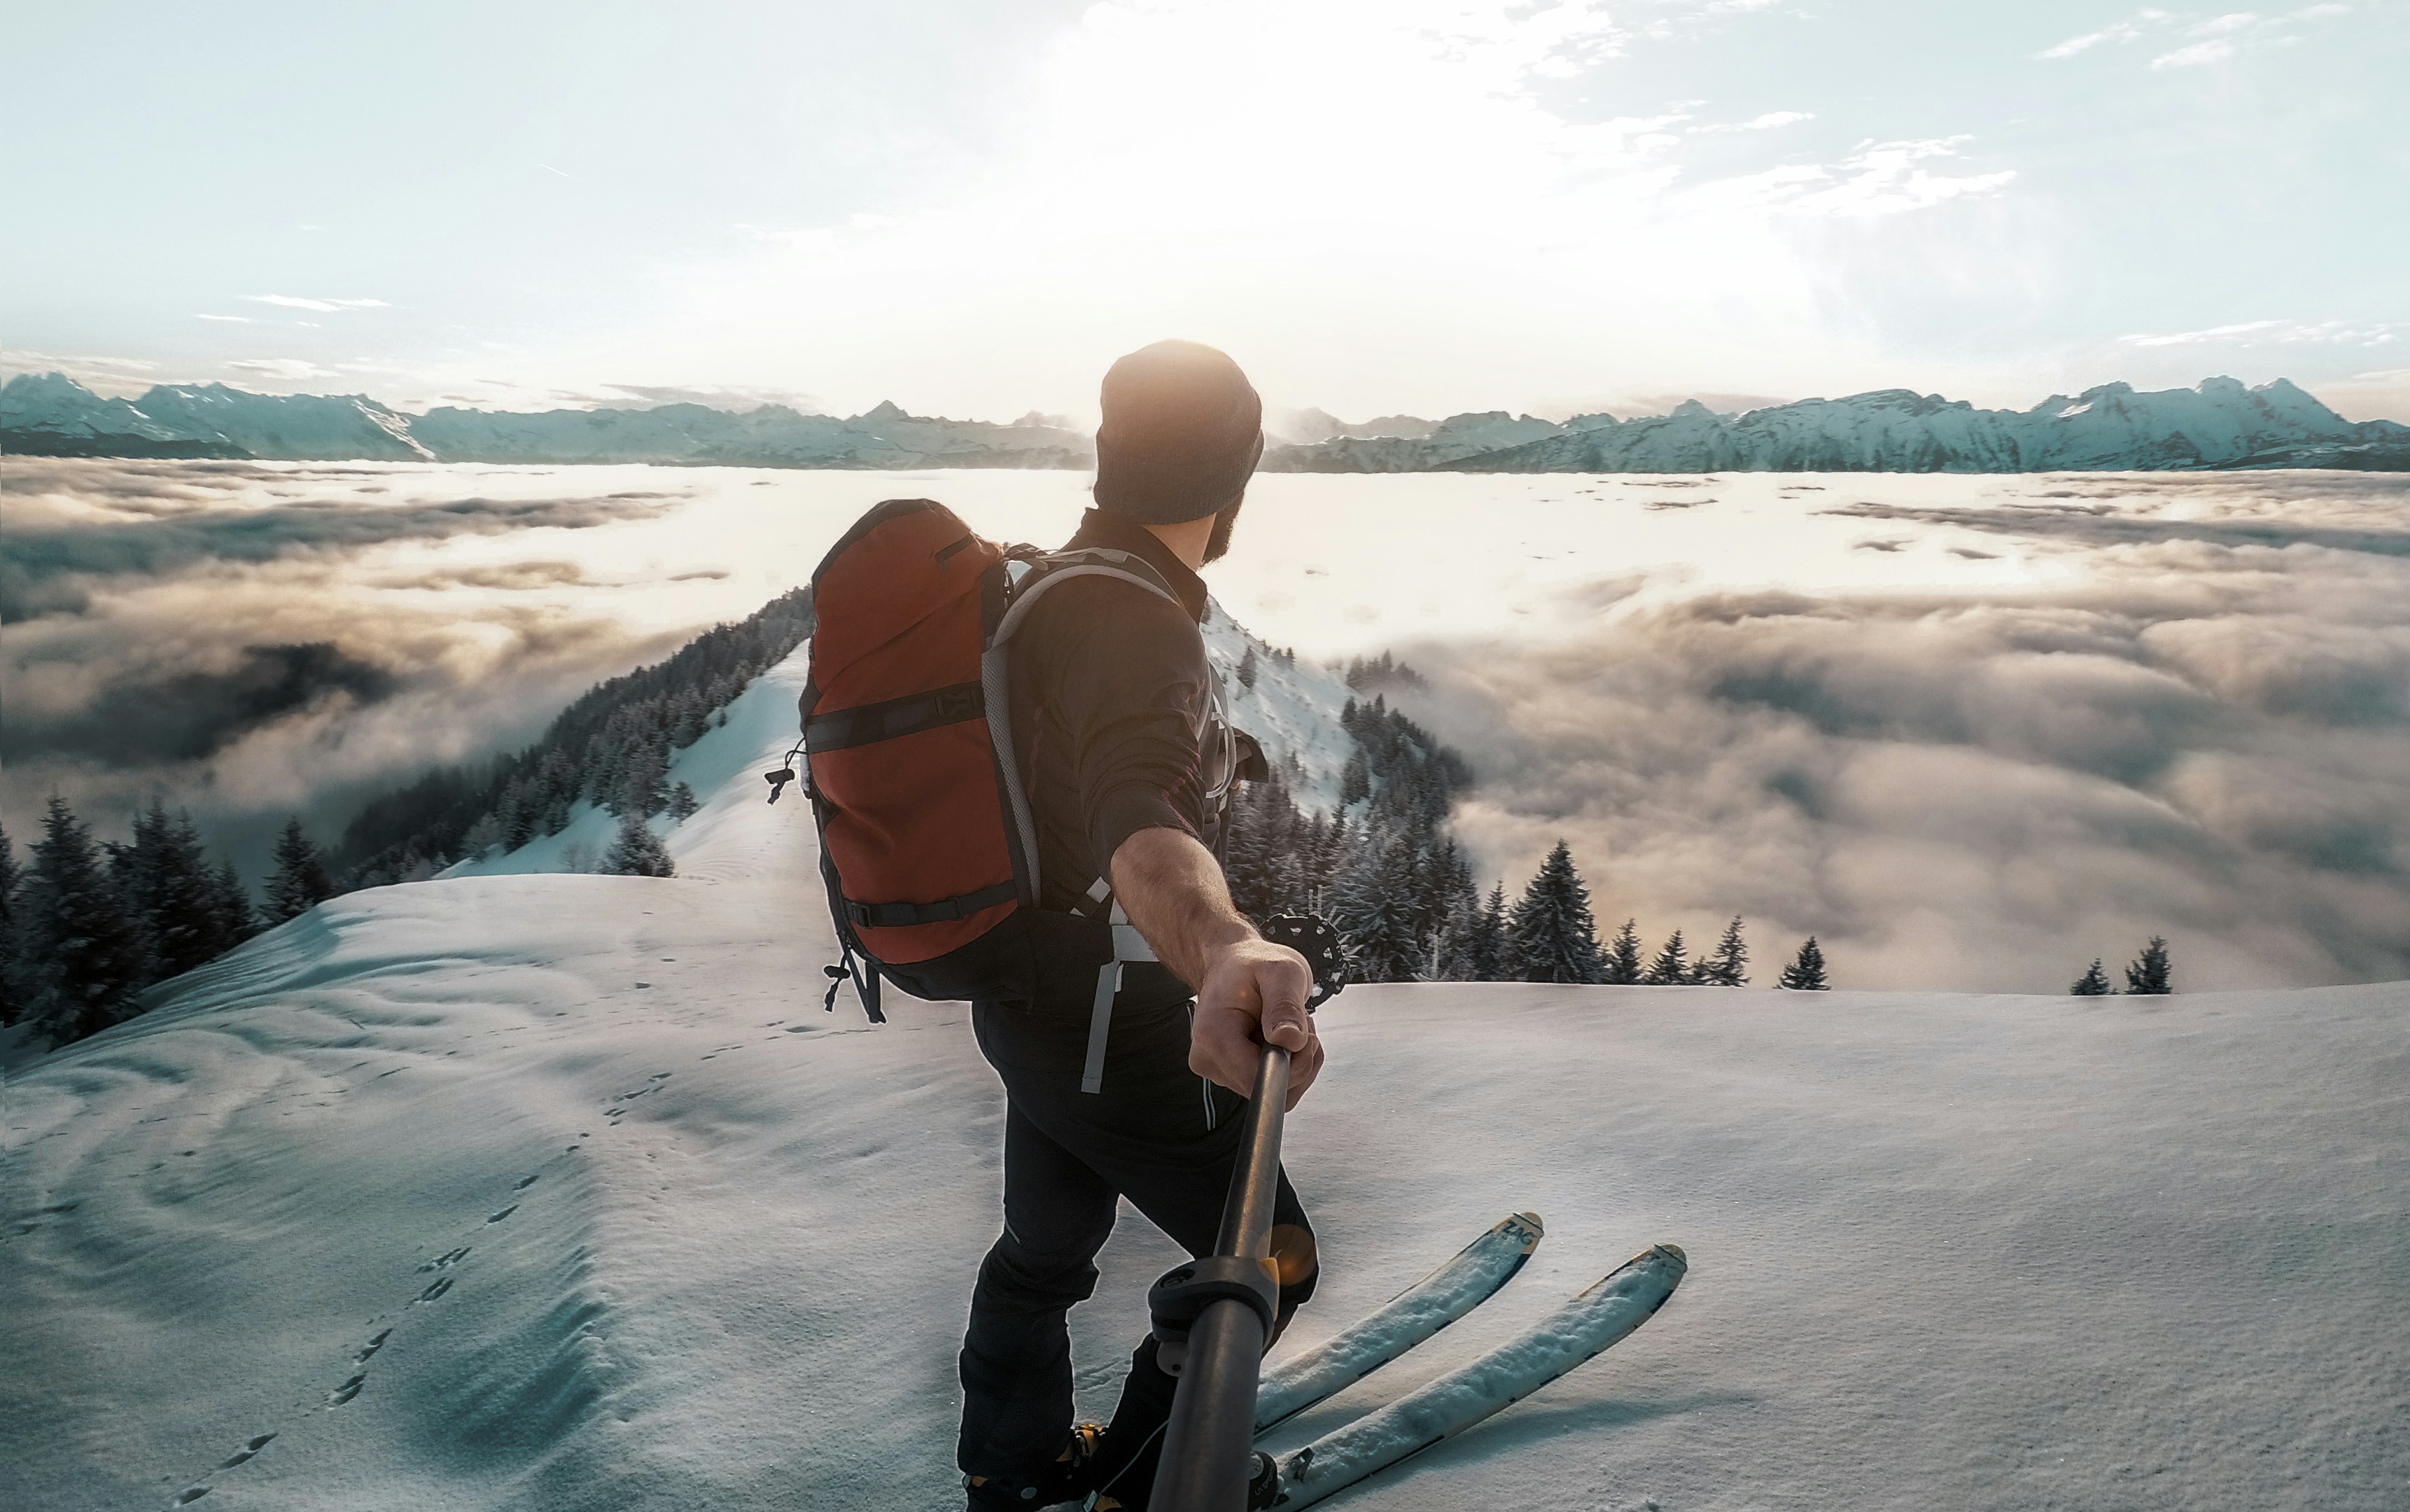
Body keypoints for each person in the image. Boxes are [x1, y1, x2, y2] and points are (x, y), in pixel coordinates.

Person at [957, 340, 1326, 1511]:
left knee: (1045, 1252)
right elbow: (1132, 810)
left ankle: (1012, 1473)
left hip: (1029, 1003)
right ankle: (1142, 1478)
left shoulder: (1052, 589)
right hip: (1116, 1026)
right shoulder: (1134, 622)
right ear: (1236, 480)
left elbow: (1087, 780)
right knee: (1268, 1258)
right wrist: (1221, 941)